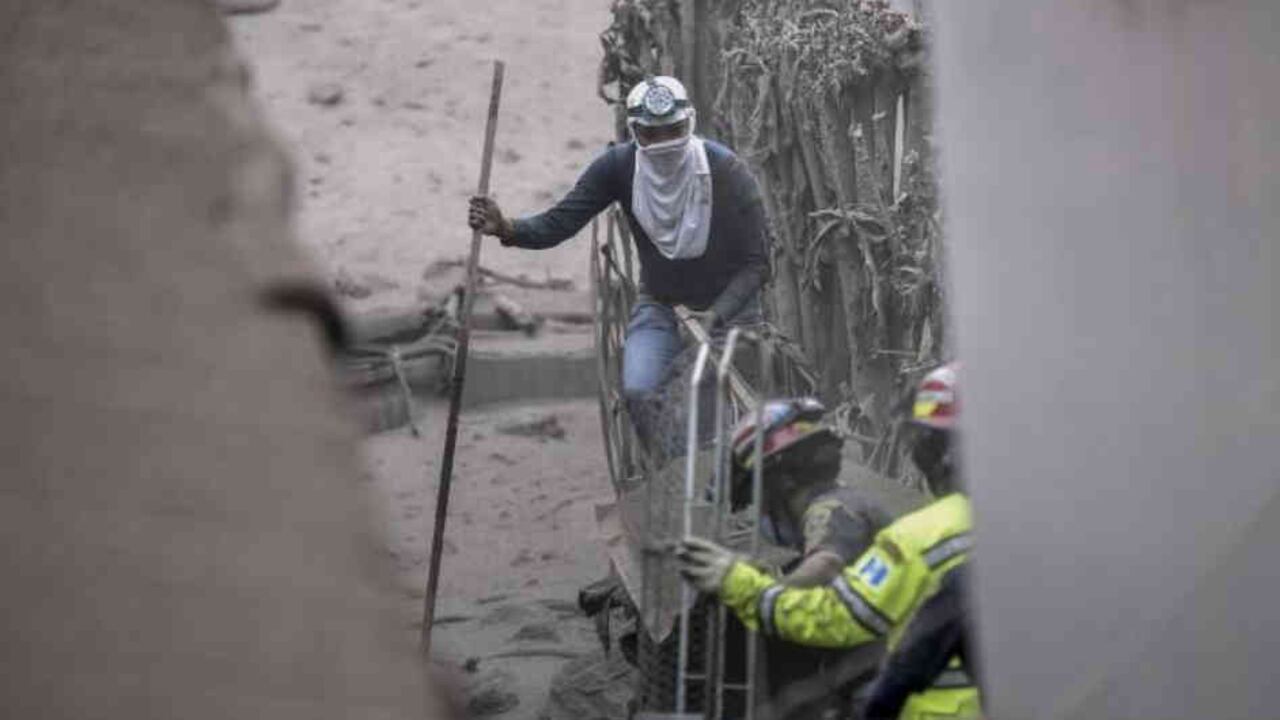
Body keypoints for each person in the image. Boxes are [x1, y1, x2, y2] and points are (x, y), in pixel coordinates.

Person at [468, 76, 769, 438]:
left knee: (704, 398)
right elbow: (559, 223)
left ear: (689, 122)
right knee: (640, 392)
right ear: (635, 132)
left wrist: (716, 315)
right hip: (662, 305)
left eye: (673, 130)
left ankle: (716, 471)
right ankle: (673, 478)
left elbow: (758, 262)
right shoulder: (618, 168)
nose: (664, 143)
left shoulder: (727, 171)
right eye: (652, 134)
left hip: (731, 311)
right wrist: (506, 227)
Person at [678, 362, 982, 720]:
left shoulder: (832, 511)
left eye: (756, 499)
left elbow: (827, 570)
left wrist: (762, 590)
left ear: (779, 483)